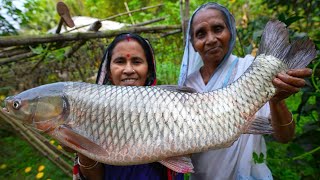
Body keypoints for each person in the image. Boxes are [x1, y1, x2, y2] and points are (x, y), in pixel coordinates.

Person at [178, 2, 312, 180]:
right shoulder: (186, 86)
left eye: (218, 29)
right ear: (193, 44)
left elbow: (285, 137)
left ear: (230, 33)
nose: (210, 39)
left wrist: (276, 100)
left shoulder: (252, 69)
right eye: (200, 34)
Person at [73, 33, 184, 180]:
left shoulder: (171, 108)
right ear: (109, 72)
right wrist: (82, 149)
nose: (128, 70)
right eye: (120, 61)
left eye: (137, 61)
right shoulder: (92, 111)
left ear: (149, 70)